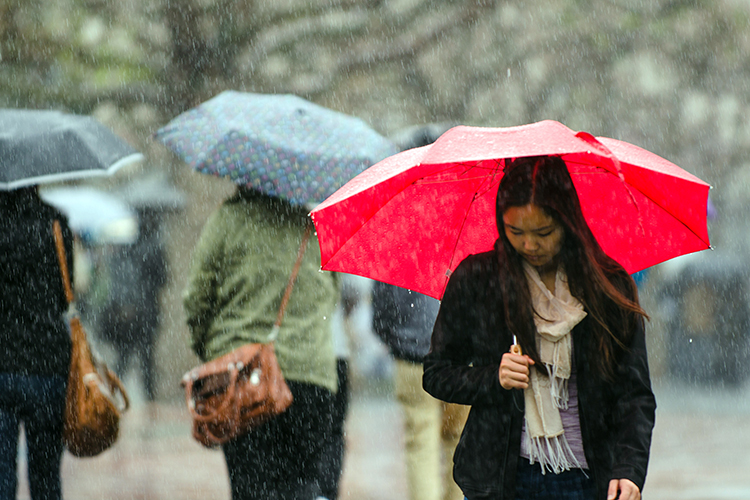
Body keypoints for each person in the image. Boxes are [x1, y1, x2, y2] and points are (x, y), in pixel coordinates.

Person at [423, 156, 656, 500]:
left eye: (543, 232)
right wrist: (493, 377)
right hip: (502, 480)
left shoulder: (607, 285)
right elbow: (436, 373)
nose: (529, 245)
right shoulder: (479, 279)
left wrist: (629, 469)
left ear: (568, 222)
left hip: (589, 480)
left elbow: (634, 394)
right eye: (515, 232)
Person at [183, 186, 339, 500]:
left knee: (251, 487)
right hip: (311, 379)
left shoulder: (229, 219)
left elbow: (197, 300)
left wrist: (211, 351)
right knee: (303, 486)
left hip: (244, 378)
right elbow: (330, 296)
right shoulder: (314, 225)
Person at [0, 186, 74, 500]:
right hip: (48, 363)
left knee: (1, 477)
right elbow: (65, 294)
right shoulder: (56, 223)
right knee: (45, 476)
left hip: (3, 364)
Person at [372, 281, 469, 500]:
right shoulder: (473, 255)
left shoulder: (398, 248)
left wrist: (396, 340)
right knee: (459, 441)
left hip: (414, 356)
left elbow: (380, 313)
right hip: (462, 360)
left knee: (420, 442)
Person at [98, 209, 167, 401]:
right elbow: (162, 279)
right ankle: (150, 401)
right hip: (146, 311)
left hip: (127, 312)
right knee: (146, 361)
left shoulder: (125, 247)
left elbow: (117, 277)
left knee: (124, 357)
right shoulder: (154, 247)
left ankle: (111, 395)